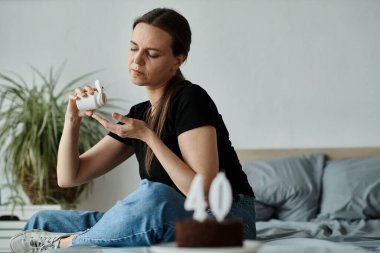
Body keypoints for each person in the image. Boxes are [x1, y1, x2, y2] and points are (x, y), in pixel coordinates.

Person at [10, 7, 256, 252]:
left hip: (226, 219)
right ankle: (80, 237)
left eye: (152, 53)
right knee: (43, 221)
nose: (137, 60)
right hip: (169, 217)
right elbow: (68, 177)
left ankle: (66, 243)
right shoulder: (139, 114)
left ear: (178, 60)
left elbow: (203, 194)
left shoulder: (190, 98)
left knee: (155, 195)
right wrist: (72, 118)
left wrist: (149, 137)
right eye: (133, 48)